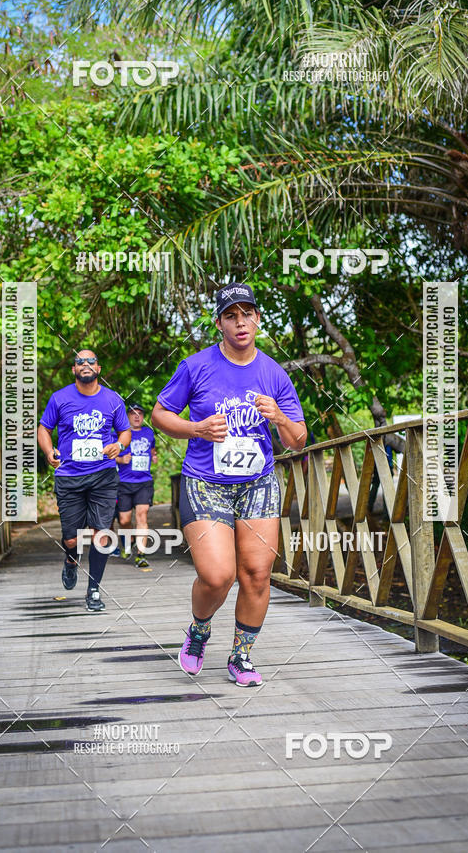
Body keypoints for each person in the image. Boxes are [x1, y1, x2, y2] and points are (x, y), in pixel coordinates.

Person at [152, 282, 306, 687]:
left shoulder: (273, 373)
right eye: (231, 316)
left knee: (256, 572)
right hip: (205, 481)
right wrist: (196, 428)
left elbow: (297, 439)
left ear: (257, 318)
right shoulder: (196, 366)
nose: (241, 322)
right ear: (219, 323)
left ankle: (241, 657)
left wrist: (281, 419)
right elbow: (160, 415)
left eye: (247, 314)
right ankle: (199, 631)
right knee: (218, 574)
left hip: (257, 482)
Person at [37, 350, 131, 611]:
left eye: (91, 361)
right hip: (69, 476)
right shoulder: (60, 398)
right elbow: (44, 428)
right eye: (80, 361)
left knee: (101, 533)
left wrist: (119, 446)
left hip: (103, 474)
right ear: (74, 369)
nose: (86, 364)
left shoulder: (113, 400)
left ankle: (94, 590)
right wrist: (48, 452)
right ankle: (70, 560)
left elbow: (124, 432)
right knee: (71, 539)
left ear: (98, 368)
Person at [115, 403, 158, 568]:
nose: (137, 416)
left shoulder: (149, 432)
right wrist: (120, 459)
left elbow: (152, 448)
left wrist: (153, 456)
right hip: (124, 483)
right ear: (127, 416)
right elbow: (108, 455)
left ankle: (141, 554)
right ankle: (128, 540)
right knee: (124, 520)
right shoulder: (120, 434)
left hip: (144, 482)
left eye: (140, 413)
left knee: (142, 515)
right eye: (133, 413)